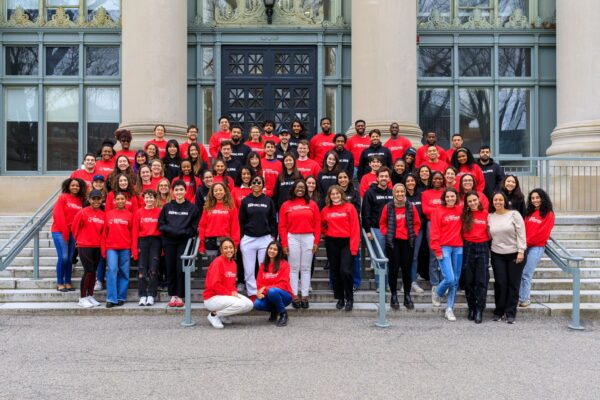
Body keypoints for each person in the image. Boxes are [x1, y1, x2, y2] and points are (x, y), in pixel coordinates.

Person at [279, 180, 321, 309]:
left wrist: (316, 242)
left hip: (308, 237)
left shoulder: (312, 204)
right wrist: (284, 243)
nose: (300, 189)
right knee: (293, 268)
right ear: (293, 189)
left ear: (306, 190)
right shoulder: (286, 205)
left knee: (306, 267)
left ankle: (304, 296)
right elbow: (282, 225)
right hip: (293, 237)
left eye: (303, 187)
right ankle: (294, 295)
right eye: (298, 187)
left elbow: (317, 225)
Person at [379, 183, 421, 310]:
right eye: (397, 192)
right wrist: (387, 234)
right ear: (394, 193)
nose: (400, 194)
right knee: (393, 269)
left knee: (407, 270)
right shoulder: (388, 206)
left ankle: (407, 296)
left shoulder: (410, 206)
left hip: (407, 242)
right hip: (393, 242)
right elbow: (382, 223)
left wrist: (413, 234)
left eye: (402, 191)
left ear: (405, 193)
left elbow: (417, 223)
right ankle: (394, 295)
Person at [159, 180, 200, 308]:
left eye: (181, 189)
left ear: (185, 191)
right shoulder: (167, 207)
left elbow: (193, 228)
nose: (179, 192)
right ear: (173, 191)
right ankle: (173, 295)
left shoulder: (192, 208)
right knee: (170, 268)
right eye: (176, 190)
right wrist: (173, 231)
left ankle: (181, 296)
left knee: (180, 269)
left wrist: (181, 232)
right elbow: (161, 224)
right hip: (169, 242)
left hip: (184, 242)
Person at [488, 191, 527, 324]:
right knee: (500, 284)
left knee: (513, 284)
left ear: (505, 201)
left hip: (515, 253)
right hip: (497, 253)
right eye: (495, 200)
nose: (497, 202)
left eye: (500, 200)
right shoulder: (490, 217)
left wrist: (521, 251)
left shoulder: (514, 214)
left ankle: (510, 313)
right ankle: (499, 311)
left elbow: (521, 233)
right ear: (492, 202)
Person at [321, 185, 360, 311]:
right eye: (332, 194)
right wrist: (327, 233)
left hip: (346, 242)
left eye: (337, 193)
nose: (335, 196)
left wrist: (354, 248)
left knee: (346, 271)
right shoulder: (326, 210)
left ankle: (350, 298)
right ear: (329, 196)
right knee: (335, 271)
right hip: (332, 243)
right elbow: (321, 225)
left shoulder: (350, 207)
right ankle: (340, 298)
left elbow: (355, 228)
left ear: (341, 194)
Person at [239, 175, 277, 299]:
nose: (256, 184)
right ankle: (252, 294)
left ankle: (262, 292)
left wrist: (273, 237)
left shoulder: (268, 200)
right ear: (250, 184)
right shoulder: (246, 201)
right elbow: (241, 220)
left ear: (263, 185)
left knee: (263, 269)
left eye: (259, 182)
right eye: (254, 182)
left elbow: (272, 220)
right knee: (249, 270)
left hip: (265, 238)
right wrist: (242, 236)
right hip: (249, 238)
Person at [204, 238, 254, 329]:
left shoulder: (233, 264)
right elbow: (214, 285)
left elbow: (232, 284)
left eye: (230, 247)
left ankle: (223, 316)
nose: (228, 250)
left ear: (235, 249)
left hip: (225, 295)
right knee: (241, 304)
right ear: (221, 250)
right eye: (225, 248)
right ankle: (214, 315)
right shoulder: (218, 262)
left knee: (249, 305)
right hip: (212, 297)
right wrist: (230, 293)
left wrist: (234, 292)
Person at [430, 187, 463, 322]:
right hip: (444, 247)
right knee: (449, 278)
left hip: (458, 247)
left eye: (452, 196)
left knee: (455, 280)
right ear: (444, 198)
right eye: (448, 197)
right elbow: (434, 232)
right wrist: (437, 250)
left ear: (456, 197)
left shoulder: (461, 210)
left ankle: (449, 308)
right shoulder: (438, 211)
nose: (450, 199)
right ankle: (437, 292)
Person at [519, 188, 555, 308]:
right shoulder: (529, 213)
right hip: (524, 246)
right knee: (519, 273)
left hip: (536, 248)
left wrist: (526, 243)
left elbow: (542, 234)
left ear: (543, 198)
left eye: (537, 198)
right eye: (533, 198)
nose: (535, 200)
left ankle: (525, 299)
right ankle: (519, 296)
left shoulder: (548, 214)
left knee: (526, 273)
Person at [71, 189, 104, 308]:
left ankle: (90, 295)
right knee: (88, 271)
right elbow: (74, 228)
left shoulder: (102, 214)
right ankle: (82, 298)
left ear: (101, 200)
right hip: (84, 246)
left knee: (93, 272)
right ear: (89, 200)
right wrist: (79, 240)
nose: (96, 201)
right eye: (93, 199)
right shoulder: (83, 212)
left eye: (98, 199)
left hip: (97, 246)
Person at [461, 191, 490, 324]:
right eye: (470, 201)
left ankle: (479, 309)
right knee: (468, 280)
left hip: (483, 247)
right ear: (466, 203)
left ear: (479, 200)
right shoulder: (464, 215)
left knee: (481, 280)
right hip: (468, 247)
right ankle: (471, 307)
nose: (472, 203)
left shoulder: (486, 214)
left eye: (474, 200)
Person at [52, 178, 85, 292]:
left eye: (77, 185)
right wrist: (65, 233)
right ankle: (60, 283)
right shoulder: (63, 197)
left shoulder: (81, 200)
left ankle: (68, 282)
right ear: (68, 186)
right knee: (64, 257)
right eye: (72, 185)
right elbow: (58, 215)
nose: (75, 187)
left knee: (70, 258)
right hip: (60, 231)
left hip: (73, 233)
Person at [101, 191, 133, 308]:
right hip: (111, 248)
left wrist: (133, 249)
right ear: (114, 201)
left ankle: (121, 297)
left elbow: (132, 233)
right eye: (117, 199)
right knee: (112, 270)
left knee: (124, 272)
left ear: (125, 201)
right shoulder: (108, 214)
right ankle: (111, 298)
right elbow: (104, 233)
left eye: (122, 199)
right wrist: (103, 249)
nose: (120, 201)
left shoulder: (130, 215)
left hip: (125, 247)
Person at [132, 189, 162, 307]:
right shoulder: (139, 212)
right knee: (142, 269)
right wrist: (134, 249)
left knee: (154, 270)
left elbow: (162, 230)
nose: (149, 200)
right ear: (143, 199)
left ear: (155, 199)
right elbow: (134, 231)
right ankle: (142, 295)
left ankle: (151, 295)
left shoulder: (159, 212)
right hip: (142, 242)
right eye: (147, 197)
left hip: (155, 241)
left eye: (151, 197)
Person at [254, 241, 292, 327]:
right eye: (270, 248)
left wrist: (265, 289)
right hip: (268, 294)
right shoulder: (263, 266)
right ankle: (275, 311)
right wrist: (261, 293)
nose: (272, 251)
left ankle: (283, 314)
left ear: (279, 252)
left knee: (272, 291)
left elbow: (283, 283)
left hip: (285, 295)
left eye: (275, 249)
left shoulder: (284, 264)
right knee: (257, 304)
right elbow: (259, 283)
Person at [198, 182, 240, 258]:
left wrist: (235, 244)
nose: (218, 192)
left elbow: (235, 226)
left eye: (220, 190)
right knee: (212, 267)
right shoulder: (208, 207)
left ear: (225, 191)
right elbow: (202, 226)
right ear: (212, 193)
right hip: (210, 242)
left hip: (225, 242)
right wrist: (201, 244)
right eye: (216, 190)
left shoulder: (231, 207)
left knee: (225, 266)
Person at [421, 171, 445, 289]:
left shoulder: (446, 192)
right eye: (435, 179)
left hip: (446, 225)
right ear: (431, 180)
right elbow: (425, 210)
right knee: (433, 254)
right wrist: (440, 210)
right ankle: (435, 283)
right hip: (431, 225)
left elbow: (450, 207)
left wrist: (435, 210)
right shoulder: (426, 193)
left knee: (444, 253)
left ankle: (444, 281)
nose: (437, 181)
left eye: (440, 178)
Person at [404, 173, 425, 293]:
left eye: (412, 181)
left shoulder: (420, 195)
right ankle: (406, 282)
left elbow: (423, 214)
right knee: (405, 257)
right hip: (404, 231)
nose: (410, 183)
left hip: (418, 231)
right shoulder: (402, 195)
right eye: (407, 181)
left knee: (415, 256)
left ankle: (413, 281)